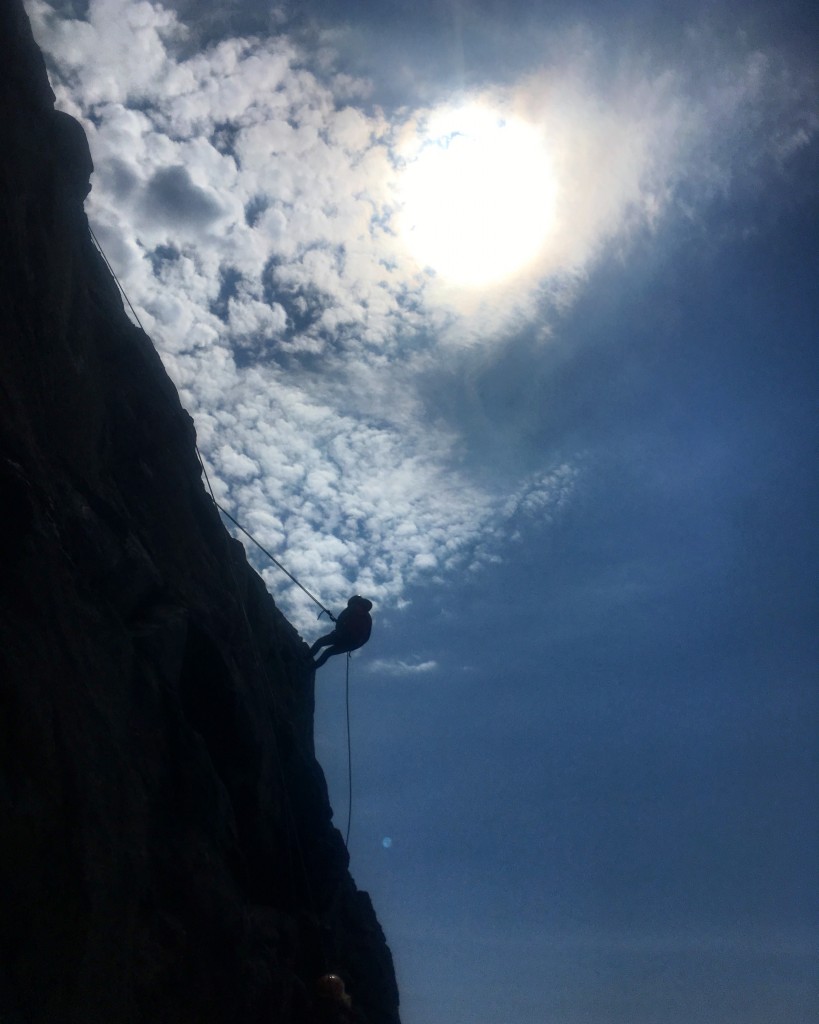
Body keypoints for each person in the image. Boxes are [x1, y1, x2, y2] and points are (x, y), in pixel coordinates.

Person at [310, 596, 373, 669]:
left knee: (328, 651)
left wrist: (351, 645)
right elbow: (340, 620)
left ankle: (311, 667)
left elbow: (364, 638)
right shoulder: (351, 609)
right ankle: (308, 657)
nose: (358, 608)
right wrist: (340, 630)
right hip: (344, 637)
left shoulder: (366, 620)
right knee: (321, 643)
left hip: (350, 642)